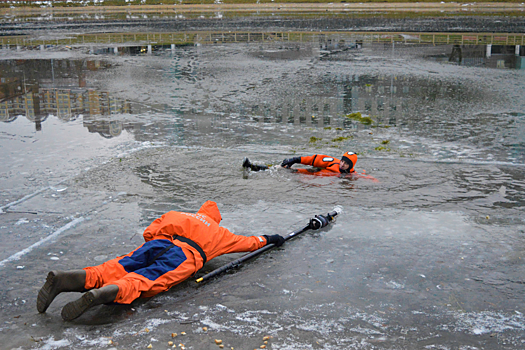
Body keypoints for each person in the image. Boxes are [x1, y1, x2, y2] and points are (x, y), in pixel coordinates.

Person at [37, 200, 285, 321]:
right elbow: (251, 242)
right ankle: (105, 294)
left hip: (160, 242)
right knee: (146, 279)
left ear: (200, 211)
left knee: (116, 266)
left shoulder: (181, 214)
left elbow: (151, 228)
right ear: (216, 218)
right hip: (185, 255)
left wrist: (152, 242)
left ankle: (67, 279)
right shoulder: (221, 234)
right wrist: (271, 237)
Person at [243, 151, 358, 176]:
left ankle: (253, 168)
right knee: (281, 168)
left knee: (286, 171)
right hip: (313, 172)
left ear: (351, 166)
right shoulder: (334, 162)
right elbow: (315, 159)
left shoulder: (352, 176)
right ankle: (253, 167)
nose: (342, 164)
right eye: (342, 161)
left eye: (346, 164)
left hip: (310, 176)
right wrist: (295, 159)